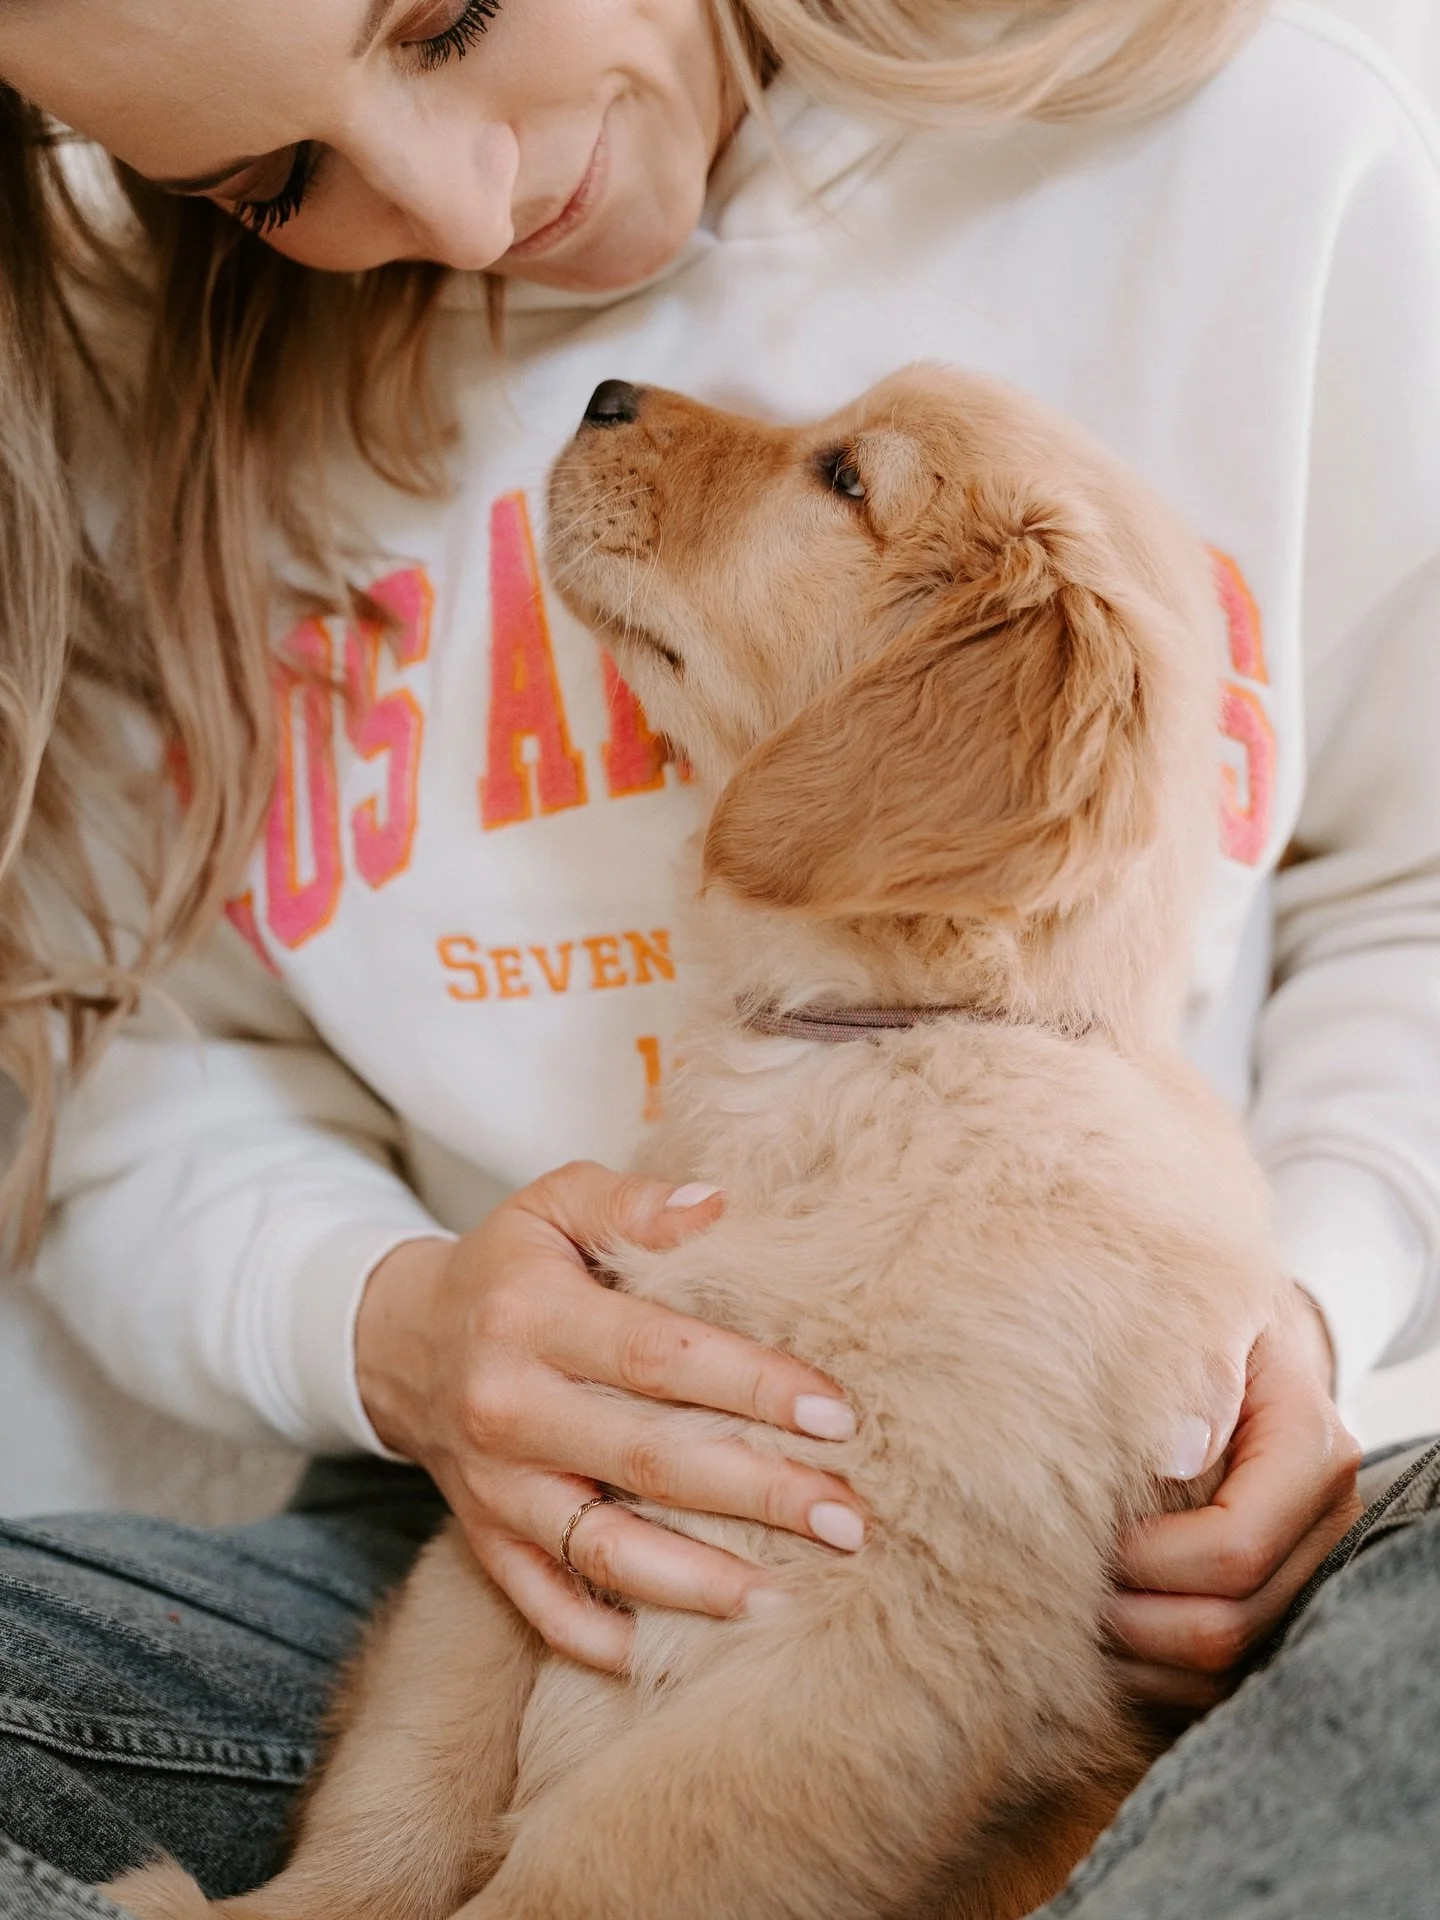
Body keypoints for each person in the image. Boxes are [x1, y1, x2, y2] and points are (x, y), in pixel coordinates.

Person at [0, 0, 1435, 1912]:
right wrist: (402, 1330)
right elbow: (134, 1066)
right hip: (479, 1502)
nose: (464, 198)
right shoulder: (149, 402)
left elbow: (1414, 884)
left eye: (449, 14)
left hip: (1212, 1542)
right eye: (273, 185)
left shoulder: (1270, 145)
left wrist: (1308, 1331)